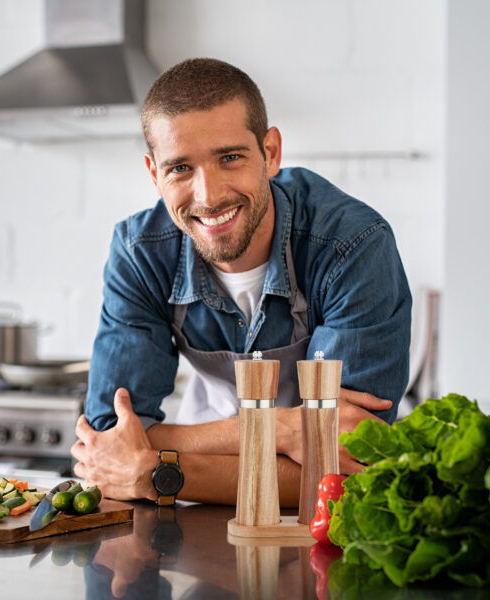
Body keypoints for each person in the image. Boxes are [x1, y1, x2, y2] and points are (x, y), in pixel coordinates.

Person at [71, 58, 411, 507]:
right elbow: (111, 441)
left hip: (325, 524)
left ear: (270, 153)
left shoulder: (352, 245)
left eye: (229, 158)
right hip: (196, 513)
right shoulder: (141, 253)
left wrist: (161, 473)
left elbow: (344, 463)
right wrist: (284, 428)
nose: (208, 196)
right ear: (154, 174)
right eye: (180, 169)